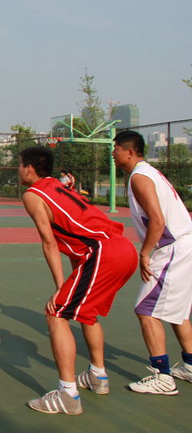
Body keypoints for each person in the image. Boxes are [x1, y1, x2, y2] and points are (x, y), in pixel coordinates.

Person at [19, 146, 137, 415]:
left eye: (20, 165)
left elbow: (49, 243)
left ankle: (67, 395)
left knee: (56, 313)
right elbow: (75, 238)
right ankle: (98, 375)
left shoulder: (33, 195)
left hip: (103, 253)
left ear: (29, 168)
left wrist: (59, 287)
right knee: (86, 312)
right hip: (123, 248)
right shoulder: (58, 186)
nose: (19, 170)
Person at [112, 130, 192, 395]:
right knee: (177, 311)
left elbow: (157, 220)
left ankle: (163, 376)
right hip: (182, 244)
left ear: (129, 152)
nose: (113, 154)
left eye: (116, 149)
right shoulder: (148, 172)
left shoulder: (140, 177)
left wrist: (144, 253)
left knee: (146, 309)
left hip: (172, 248)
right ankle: (190, 366)